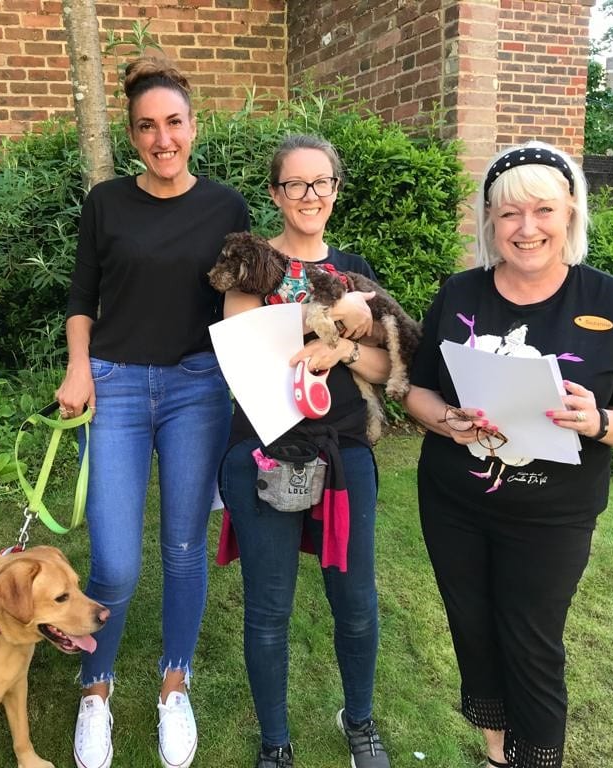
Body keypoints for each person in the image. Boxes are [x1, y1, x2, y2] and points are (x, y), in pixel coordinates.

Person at [403, 141, 613, 768]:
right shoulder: (460, 293)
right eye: (509, 214)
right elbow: (416, 390)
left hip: (553, 515)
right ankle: (497, 748)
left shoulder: (611, 301)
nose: (527, 229)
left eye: (543, 210)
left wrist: (597, 420)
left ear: (571, 211)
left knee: (532, 639)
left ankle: (538, 757)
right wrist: (447, 421)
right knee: (471, 624)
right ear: (490, 221)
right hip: (454, 504)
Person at [56, 57, 250, 768]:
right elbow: (82, 297)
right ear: (133, 134)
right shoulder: (105, 203)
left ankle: (174, 682)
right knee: (112, 560)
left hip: (198, 387)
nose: (162, 138)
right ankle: (96, 689)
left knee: (182, 548)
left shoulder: (227, 207)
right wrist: (79, 366)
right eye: (147, 126)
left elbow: (241, 300)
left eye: (174, 122)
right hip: (114, 387)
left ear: (193, 127)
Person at [217, 134, 393, 768]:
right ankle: (275, 742)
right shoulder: (251, 264)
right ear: (276, 194)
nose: (310, 195)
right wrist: (334, 317)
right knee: (269, 607)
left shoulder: (356, 271)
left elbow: (384, 363)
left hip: (345, 452)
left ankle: (362, 721)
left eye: (322, 183)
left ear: (336, 191)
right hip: (264, 452)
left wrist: (346, 346)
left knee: (355, 600)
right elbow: (242, 345)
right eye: (296, 184)